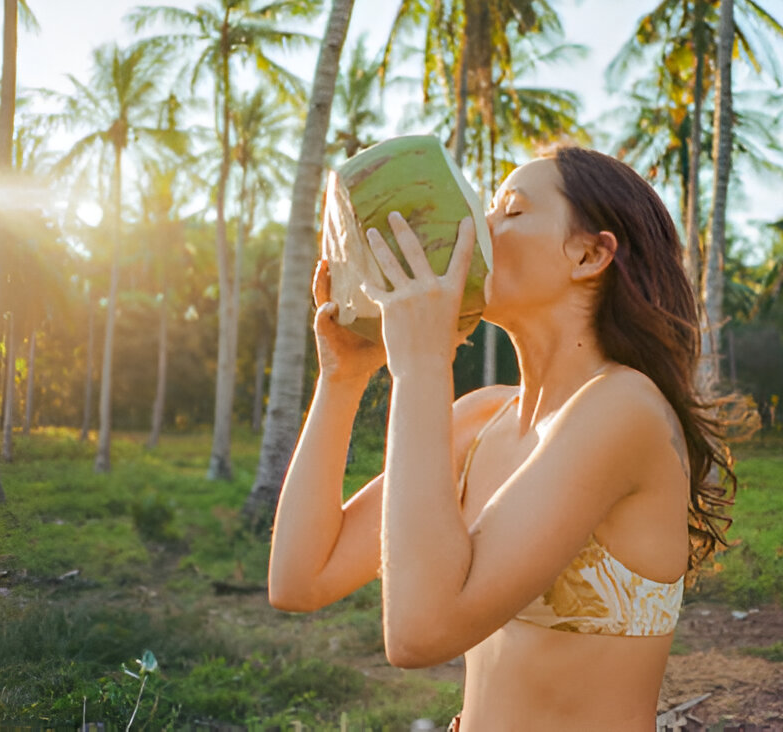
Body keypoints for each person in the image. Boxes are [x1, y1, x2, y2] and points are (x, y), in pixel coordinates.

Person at [268, 146, 734, 730]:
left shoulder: (624, 408)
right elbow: (299, 579)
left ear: (590, 254)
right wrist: (344, 378)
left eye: (510, 212)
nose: (481, 227)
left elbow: (419, 635)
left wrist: (421, 366)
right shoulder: (482, 417)